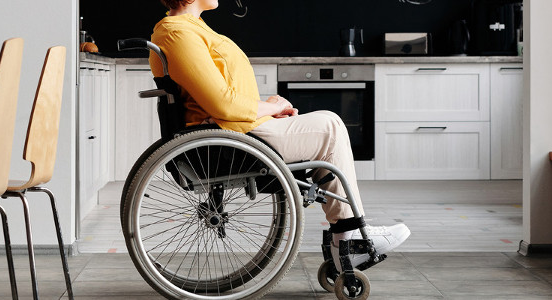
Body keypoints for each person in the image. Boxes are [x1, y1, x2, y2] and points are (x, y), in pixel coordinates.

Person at [150, 0, 410, 270]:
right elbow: (223, 104)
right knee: (330, 127)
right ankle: (347, 239)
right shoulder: (176, 32)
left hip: (238, 128)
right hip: (228, 138)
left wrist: (267, 109)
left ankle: (345, 238)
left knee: (326, 125)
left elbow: (220, 97)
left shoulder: (191, 28)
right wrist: (271, 107)